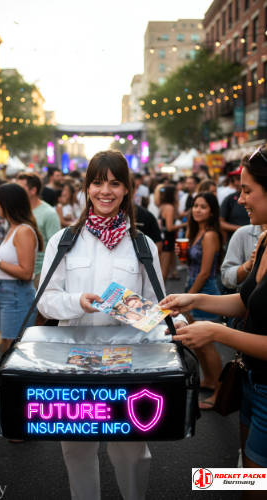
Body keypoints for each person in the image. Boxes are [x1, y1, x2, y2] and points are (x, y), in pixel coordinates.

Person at [37, 150, 187, 500]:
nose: (106, 191)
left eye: (115, 183)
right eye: (98, 182)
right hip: (74, 361)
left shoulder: (143, 244)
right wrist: (77, 302)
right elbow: (45, 300)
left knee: (132, 450)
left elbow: (158, 309)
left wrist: (145, 312)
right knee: (76, 449)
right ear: (86, 188)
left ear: (127, 190)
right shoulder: (64, 241)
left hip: (128, 361)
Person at [159, 145, 267, 474]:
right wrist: (194, 300)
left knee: (256, 481)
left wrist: (217, 331)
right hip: (250, 380)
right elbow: (244, 301)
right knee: (247, 475)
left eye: (247, 191)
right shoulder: (263, 240)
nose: (240, 200)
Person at [0, 183, 43, 354]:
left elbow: (26, 273)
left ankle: (9, 382)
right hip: (8, 294)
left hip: (16, 295)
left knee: (12, 350)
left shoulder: (23, 231)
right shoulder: (14, 227)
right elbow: (13, 258)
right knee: (7, 341)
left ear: (8, 204)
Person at [185, 192, 223, 409]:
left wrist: (190, 297)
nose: (197, 210)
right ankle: (208, 380)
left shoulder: (209, 235)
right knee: (197, 343)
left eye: (203, 206)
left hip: (203, 292)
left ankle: (219, 393)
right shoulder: (197, 231)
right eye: (195, 205)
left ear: (212, 211)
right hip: (193, 290)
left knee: (207, 346)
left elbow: (205, 272)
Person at [16, 172, 60, 287]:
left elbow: (56, 247)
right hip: (18, 272)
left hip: (39, 274)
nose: (16, 191)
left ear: (33, 191)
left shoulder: (49, 213)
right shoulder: (18, 210)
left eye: (20, 188)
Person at [221, 224, 266, 290]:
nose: (248, 212)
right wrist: (249, 264)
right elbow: (226, 278)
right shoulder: (242, 233)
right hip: (245, 296)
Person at [158, 185, 186, 282]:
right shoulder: (169, 207)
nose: (177, 196)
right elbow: (170, 227)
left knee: (165, 266)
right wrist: (184, 224)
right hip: (167, 238)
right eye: (176, 194)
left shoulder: (164, 205)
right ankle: (160, 294)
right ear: (172, 195)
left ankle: (173, 273)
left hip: (164, 237)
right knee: (164, 270)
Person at [220, 165, 250, 245]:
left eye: (239, 179)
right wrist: (241, 229)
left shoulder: (258, 198)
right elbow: (220, 222)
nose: (236, 183)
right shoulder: (229, 199)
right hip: (235, 242)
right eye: (234, 180)